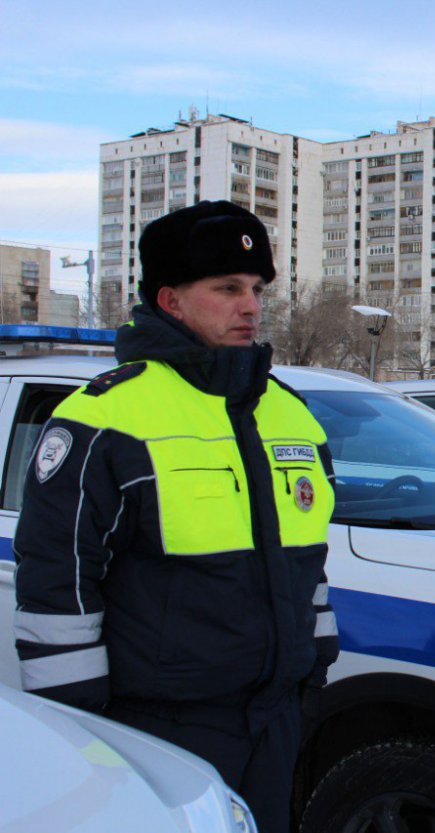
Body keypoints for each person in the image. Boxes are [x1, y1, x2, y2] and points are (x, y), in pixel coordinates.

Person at [13, 201, 339, 833]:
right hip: (153, 727)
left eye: (255, 289)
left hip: (274, 718)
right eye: (227, 289)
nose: (250, 306)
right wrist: (78, 726)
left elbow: (310, 556)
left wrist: (316, 661)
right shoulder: (105, 417)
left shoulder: (289, 412)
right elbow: (57, 581)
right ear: (170, 300)